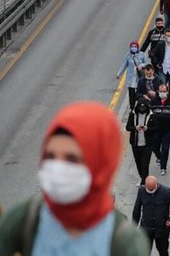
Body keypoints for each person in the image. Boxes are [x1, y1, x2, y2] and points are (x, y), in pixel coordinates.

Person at [0, 102, 150, 255]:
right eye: (50, 157)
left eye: (71, 159)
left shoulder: (125, 242)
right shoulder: (26, 218)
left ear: (99, 163)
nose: (58, 168)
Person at [133, 176, 170, 256]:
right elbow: (137, 208)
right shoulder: (142, 191)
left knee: (163, 251)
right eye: (148, 189)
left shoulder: (166, 191)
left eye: (152, 189)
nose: (150, 191)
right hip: (146, 227)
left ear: (156, 184)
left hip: (161, 228)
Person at [150, 84, 170, 175]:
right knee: (154, 147)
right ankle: (159, 157)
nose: (162, 93)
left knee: (165, 149)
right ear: (158, 92)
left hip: (167, 130)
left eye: (164, 91)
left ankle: (163, 167)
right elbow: (149, 114)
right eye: (161, 91)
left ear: (167, 92)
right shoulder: (153, 101)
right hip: (155, 130)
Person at [126, 98, 155, 186]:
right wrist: (135, 128)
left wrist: (148, 129)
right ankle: (142, 177)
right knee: (138, 162)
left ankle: (144, 182)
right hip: (136, 144)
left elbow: (156, 128)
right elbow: (128, 127)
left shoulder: (152, 116)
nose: (142, 110)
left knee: (145, 164)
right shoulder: (133, 115)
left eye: (144, 108)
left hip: (147, 145)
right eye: (140, 108)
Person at [117, 40, 148, 110]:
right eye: (132, 47)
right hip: (131, 78)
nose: (133, 48)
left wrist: (141, 65)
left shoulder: (142, 54)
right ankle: (132, 108)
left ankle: (140, 106)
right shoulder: (127, 56)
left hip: (139, 77)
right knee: (131, 94)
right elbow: (124, 65)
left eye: (135, 46)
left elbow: (147, 63)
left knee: (140, 93)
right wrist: (119, 74)